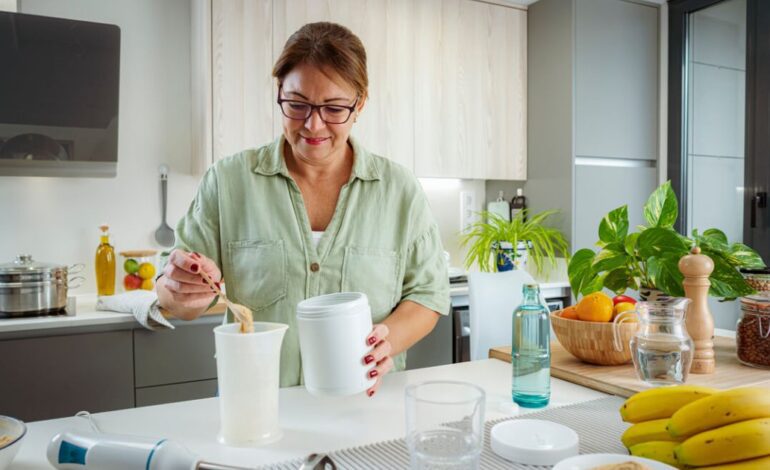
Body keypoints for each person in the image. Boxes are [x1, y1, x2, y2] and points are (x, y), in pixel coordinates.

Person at [156, 22, 449, 397]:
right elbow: (175, 296)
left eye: (333, 108)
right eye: (297, 105)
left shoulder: (399, 190)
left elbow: (428, 295)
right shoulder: (228, 182)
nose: (313, 124)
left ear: (359, 103)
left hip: (367, 407)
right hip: (258, 404)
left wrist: (387, 340)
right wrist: (179, 291)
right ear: (279, 93)